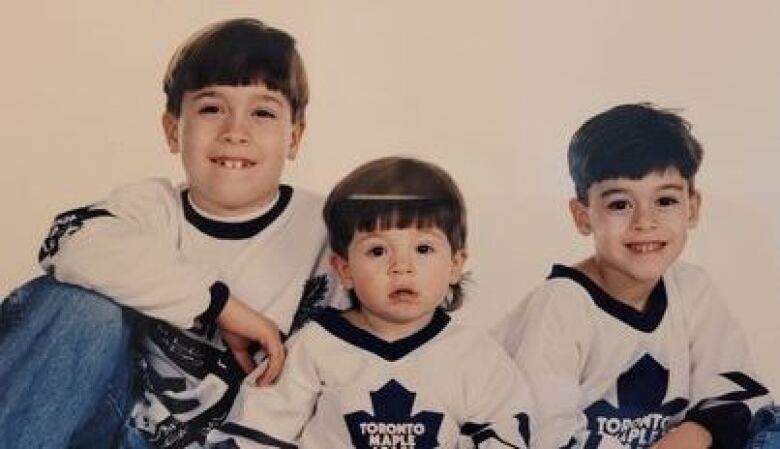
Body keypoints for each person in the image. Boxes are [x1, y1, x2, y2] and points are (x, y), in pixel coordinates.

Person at [0, 18, 342, 449]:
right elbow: (69, 243)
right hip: (124, 433)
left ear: (294, 138)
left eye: (262, 112)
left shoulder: (329, 228)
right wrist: (217, 305)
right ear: (172, 129)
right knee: (79, 308)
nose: (235, 131)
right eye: (211, 108)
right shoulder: (154, 208)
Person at [493, 103, 773, 449]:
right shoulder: (561, 307)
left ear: (693, 207)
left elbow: (737, 389)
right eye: (619, 204)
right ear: (583, 216)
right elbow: (539, 433)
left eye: (665, 201)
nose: (644, 222)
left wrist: (696, 432)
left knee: (770, 428)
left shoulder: (690, 288)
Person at [206, 156, 535, 448]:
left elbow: (505, 430)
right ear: (344, 269)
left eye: (423, 249)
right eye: (378, 251)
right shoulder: (316, 346)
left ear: (455, 264)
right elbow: (257, 428)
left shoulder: (473, 356)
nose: (401, 266)